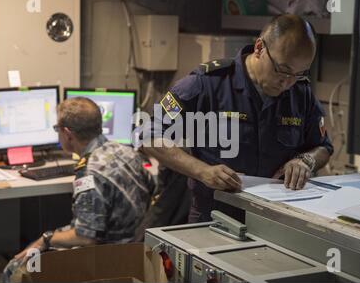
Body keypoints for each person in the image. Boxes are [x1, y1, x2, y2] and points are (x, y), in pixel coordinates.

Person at [141, 14, 334, 223]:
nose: (287, 82)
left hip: (276, 219)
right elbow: (148, 135)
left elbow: (323, 147)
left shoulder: (301, 94)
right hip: (214, 218)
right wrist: (202, 171)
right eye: (283, 70)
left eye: (298, 73)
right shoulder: (207, 84)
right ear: (259, 48)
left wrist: (306, 161)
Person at [5, 97, 155, 280]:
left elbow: (86, 237)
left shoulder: (89, 172)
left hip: (109, 256)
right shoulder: (127, 152)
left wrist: (45, 239)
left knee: (15, 267)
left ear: (68, 134)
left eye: (57, 129)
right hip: (136, 248)